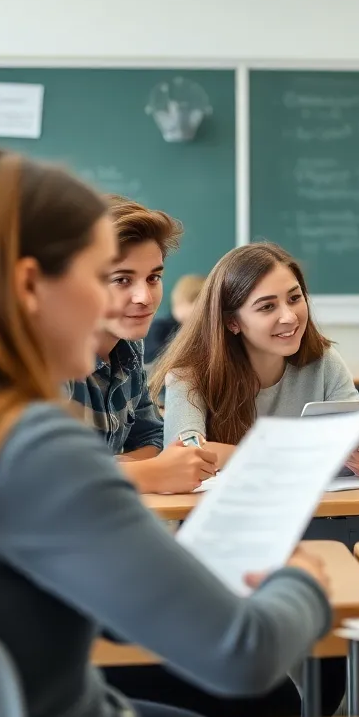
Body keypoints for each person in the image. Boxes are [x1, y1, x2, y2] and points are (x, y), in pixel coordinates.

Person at [0, 150, 332, 717]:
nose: (118, 304)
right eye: (102, 277)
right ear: (28, 286)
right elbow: (244, 654)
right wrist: (301, 583)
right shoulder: (28, 443)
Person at [154, 242, 359, 473]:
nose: (289, 317)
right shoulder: (189, 374)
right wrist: (296, 454)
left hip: (312, 508)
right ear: (232, 322)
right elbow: (186, 454)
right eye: (267, 307)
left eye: (295, 298)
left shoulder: (324, 362)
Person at [66, 197, 216, 494]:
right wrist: (150, 473)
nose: (144, 297)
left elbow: (152, 436)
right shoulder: (45, 356)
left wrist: (115, 469)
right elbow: (40, 477)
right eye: (122, 280)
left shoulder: (129, 349)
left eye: (153, 278)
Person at [144, 274, 204, 363]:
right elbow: (153, 359)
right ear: (186, 301)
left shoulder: (198, 330)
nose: (203, 312)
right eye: (200, 305)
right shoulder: (159, 327)